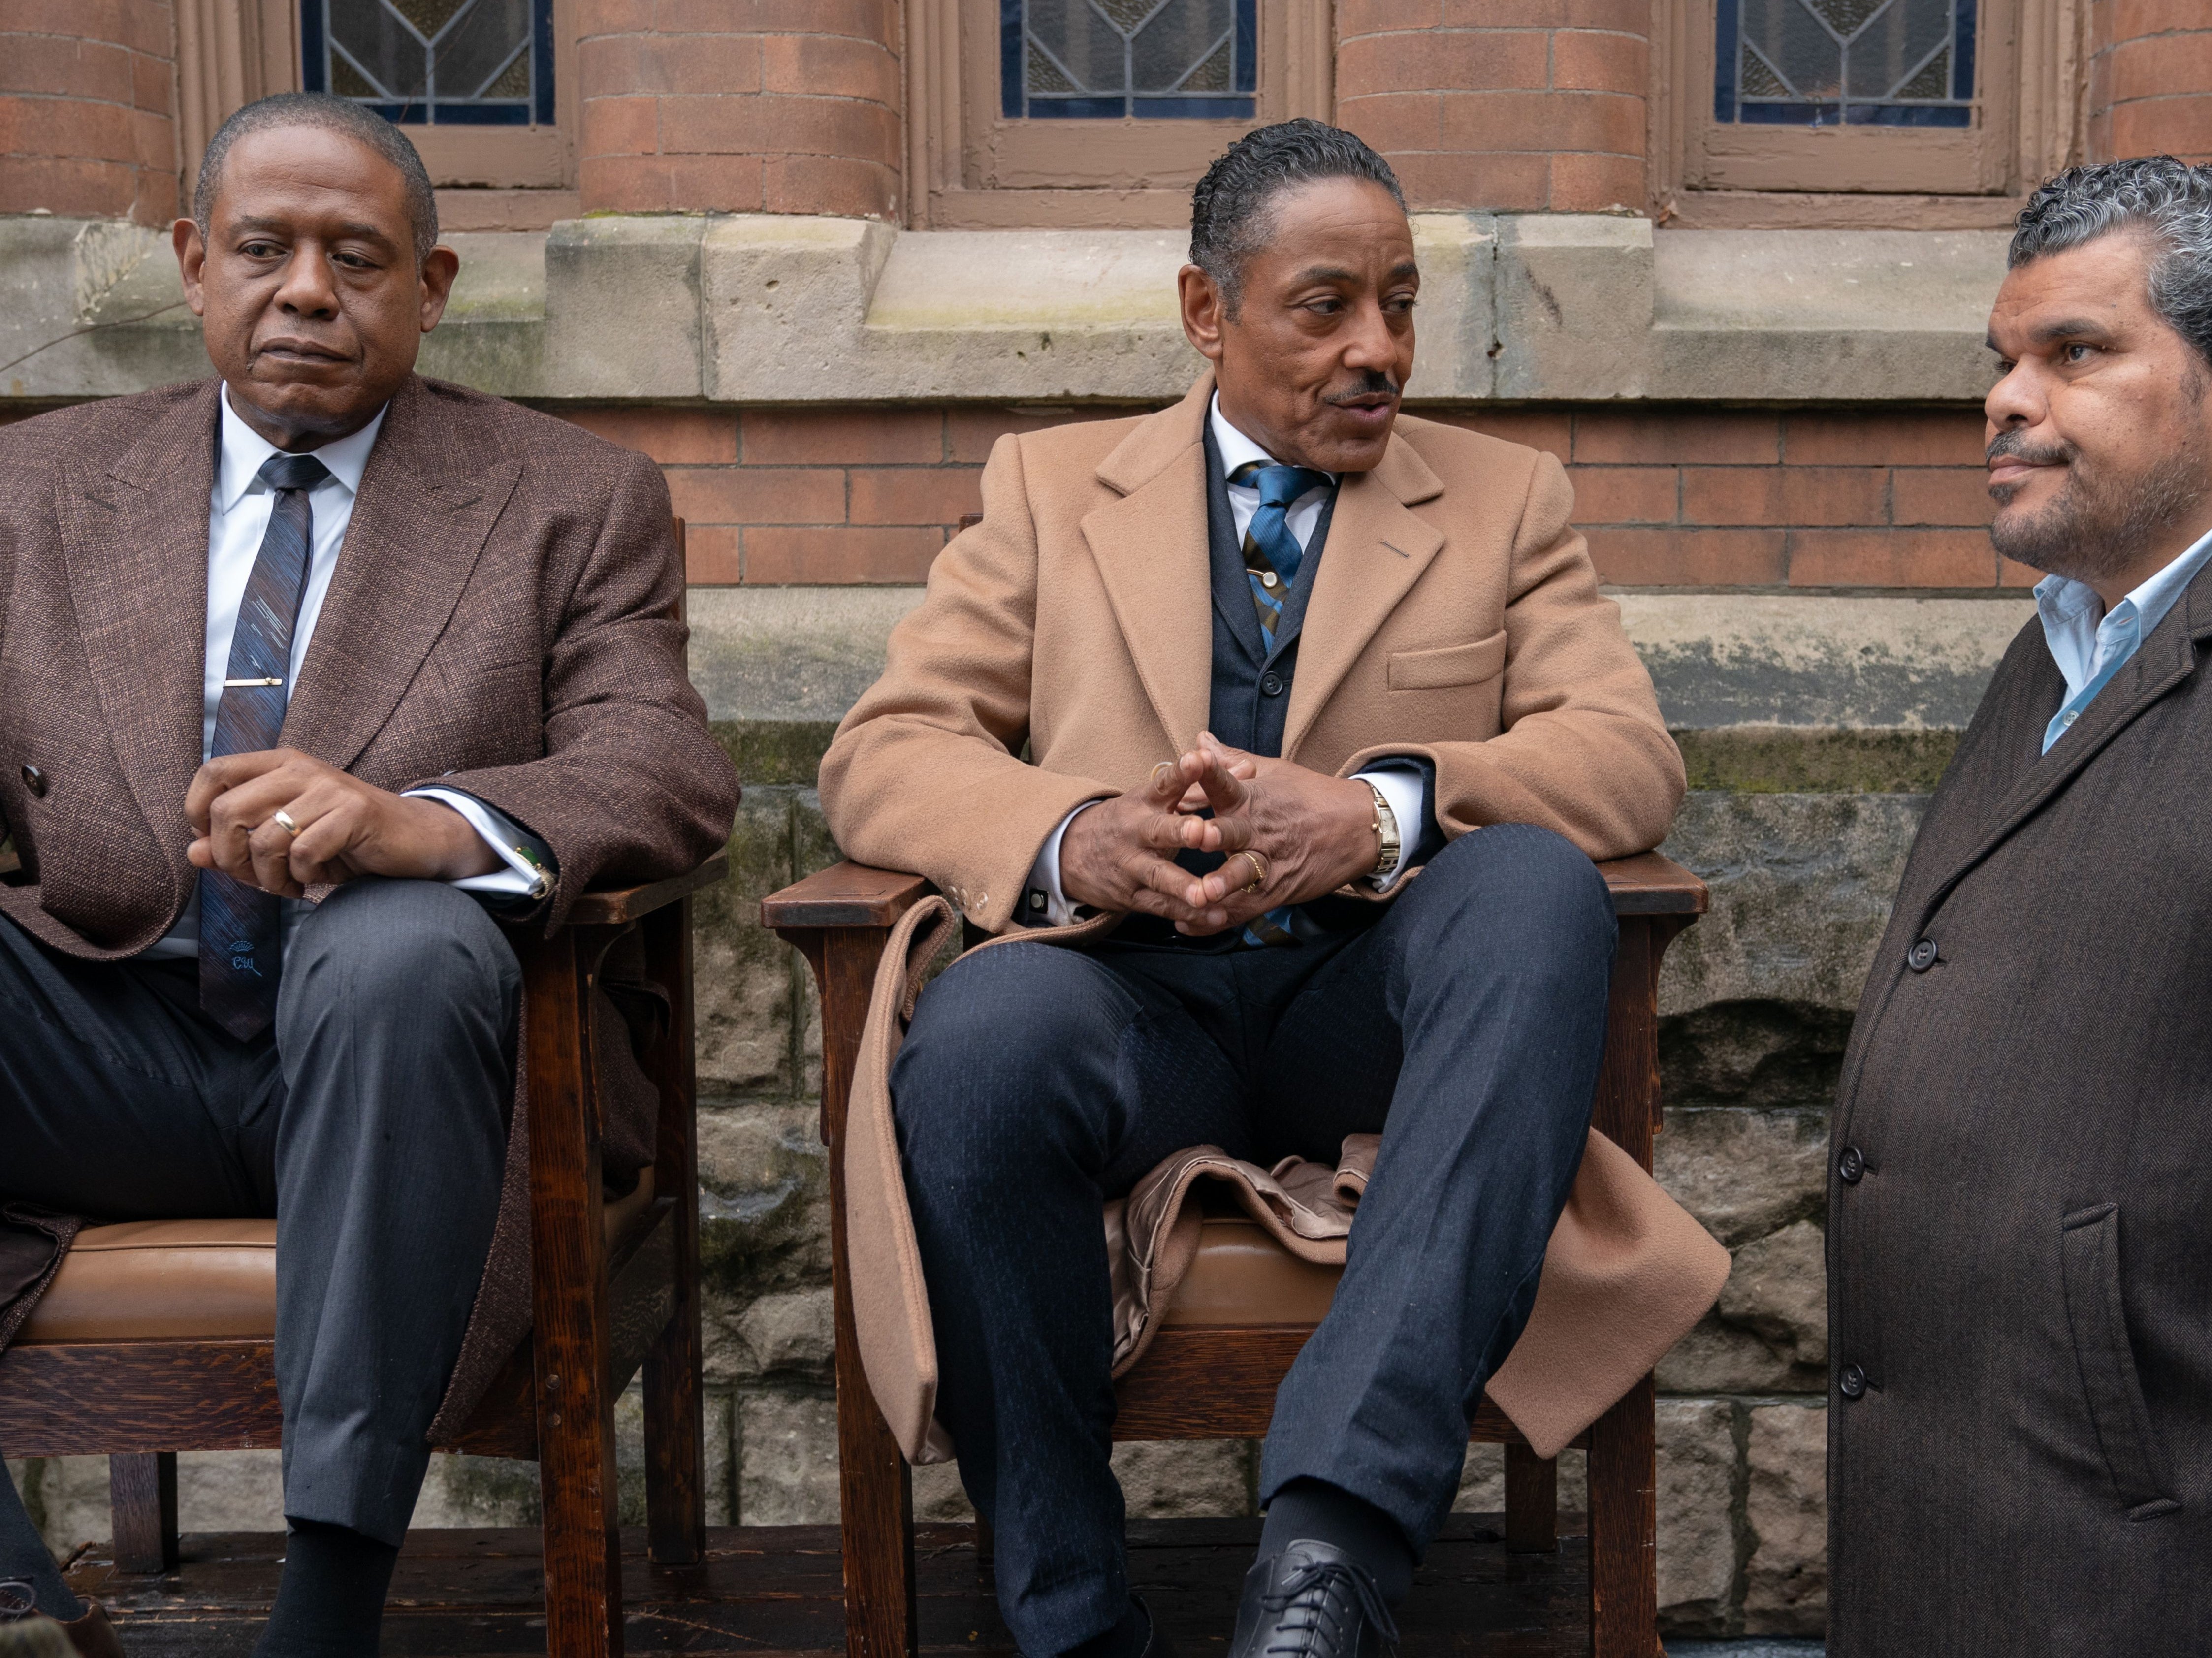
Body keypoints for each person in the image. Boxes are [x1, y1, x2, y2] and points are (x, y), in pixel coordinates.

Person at [819, 120, 1690, 1658]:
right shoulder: (1044, 488)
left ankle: (1329, 1562)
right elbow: (887, 751)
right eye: (1327, 305)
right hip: (1129, 1008)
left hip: (1377, 1015)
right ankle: (1068, 1619)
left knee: (1540, 889)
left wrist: (1377, 811)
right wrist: (1073, 833)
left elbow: (1624, 754)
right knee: (980, 1037)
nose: (1380, 349)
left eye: (1404, 305)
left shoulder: (1506, 501)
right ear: (1207, 314)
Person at [0, 94, 737, 1658]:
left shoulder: (569, 497)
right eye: (264, 250)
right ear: (197, 265)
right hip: (114, 1042)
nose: (308, 293)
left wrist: (426, 825)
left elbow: (669, 769)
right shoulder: (39, 490)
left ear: (434, 284)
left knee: (396, 945)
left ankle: (330, 1592)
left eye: (358, 257)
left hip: (426, 1069)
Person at [1825, 156, 2212, 1656]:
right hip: (1960, 1523)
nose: (2006, 397)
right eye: (2001, 359)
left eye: (2077, 353)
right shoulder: (2049, 651)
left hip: (2139, 1561)